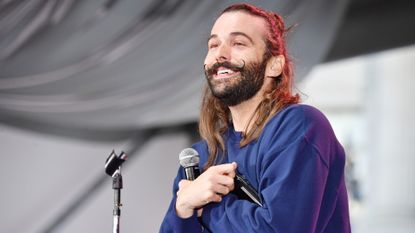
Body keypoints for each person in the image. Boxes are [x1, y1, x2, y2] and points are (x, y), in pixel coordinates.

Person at [160, 3, 351, 233]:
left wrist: (205, 209)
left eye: (238, 43)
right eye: (213, 44)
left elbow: (279, 228)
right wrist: (183, 208)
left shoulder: (299, 127)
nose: (220, 53)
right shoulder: (201, 157)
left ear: (274, 65)